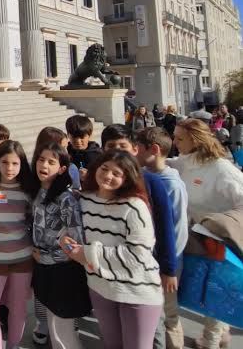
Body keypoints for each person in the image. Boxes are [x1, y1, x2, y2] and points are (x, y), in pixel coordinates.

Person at [63, 150, 164, 349]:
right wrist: (65, 242)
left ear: (127, 178)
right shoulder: (84, 200)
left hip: (137, 290)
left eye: (117, 174)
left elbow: (139, 254)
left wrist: (88, 254)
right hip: (100, 287)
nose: (108, 176)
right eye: (104, 168)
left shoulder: (134, 206)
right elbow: (70, 230)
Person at [169, 118, 243, 349]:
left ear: (196, 140)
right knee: (203, 286)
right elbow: (162, 164)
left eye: (180, 138)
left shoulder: (222, 169)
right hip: (196, 235)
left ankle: (210, 342)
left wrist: (224, 223)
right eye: (174, 136)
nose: (175, 141)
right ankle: (220, 334)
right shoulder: (183, 163)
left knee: (216, 288)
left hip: (221, 239)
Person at [101, 125, 179, 292]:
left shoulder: (151, 182)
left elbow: (165, 226)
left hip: (144, 266)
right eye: (110, 146)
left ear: (135, 149)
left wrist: (169, 269)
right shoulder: (98, 182)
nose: (117, 151)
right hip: (108, 266)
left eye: (123, 146)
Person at [0, 140, 38, 349]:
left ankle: (13, 345)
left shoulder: (28, 190)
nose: (10, 168)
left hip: (23, 260)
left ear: (22, 164)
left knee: (18, 308)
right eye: (4, 162)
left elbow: (32, 221)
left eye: (15, 163)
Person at [31, 142, 91, 349]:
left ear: (62, 169)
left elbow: (75, 241)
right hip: (44, 268)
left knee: (61, 331)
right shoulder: (39, 192)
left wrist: (49, 254)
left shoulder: (66, 198)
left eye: (51, 161)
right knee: (55, 326)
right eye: (41, 159)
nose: (44, 165)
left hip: (62, 271)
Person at [136, 127, 188, 349]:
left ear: (154, 150)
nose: (135, 153)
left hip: (167, 262)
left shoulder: (170, 184)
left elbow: (174, 230)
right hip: (156, 260)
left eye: (138, 149)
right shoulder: (151, 176)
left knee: (169, 313)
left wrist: (168, 268)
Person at [65, 115, 101, 181]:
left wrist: (90, 176)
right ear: (68, 135)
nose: (78, 141)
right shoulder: (66, 150)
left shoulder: (96, 155)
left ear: (90, 135)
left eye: (82, 137)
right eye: (74, 137)